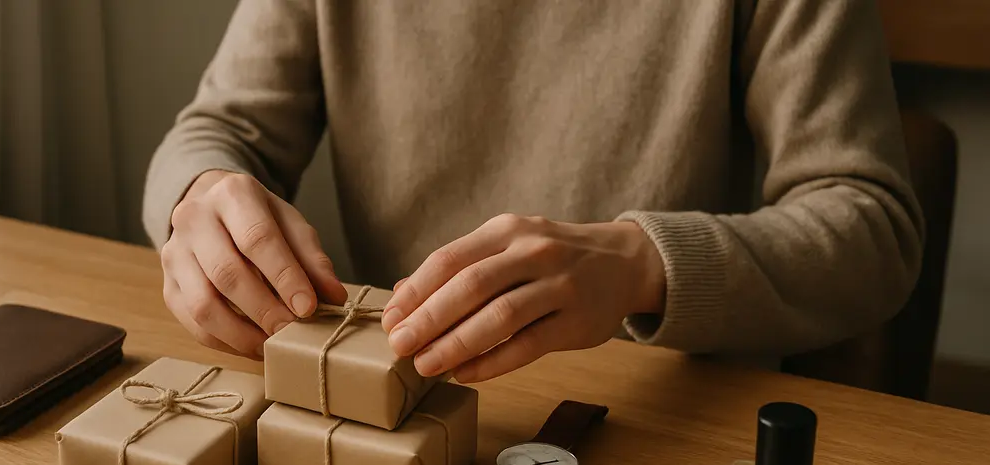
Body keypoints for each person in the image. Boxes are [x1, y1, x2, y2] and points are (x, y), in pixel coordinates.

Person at [143, 0, 923, 384]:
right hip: (403, 398)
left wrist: (644, 264)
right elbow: (220, 128)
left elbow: (871, 226)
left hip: (661, 431)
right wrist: (197, 194)